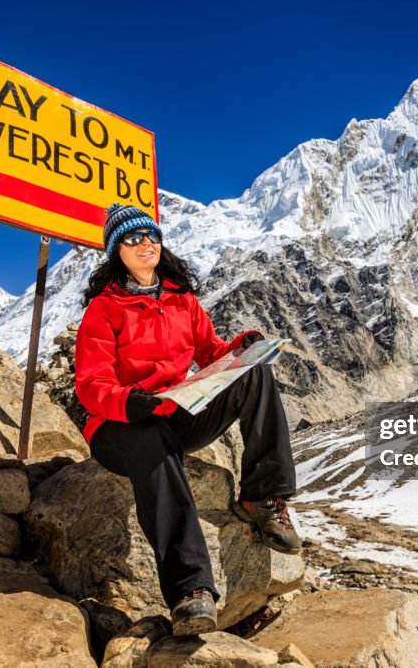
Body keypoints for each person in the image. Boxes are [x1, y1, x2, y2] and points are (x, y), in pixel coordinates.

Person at [74, 202, 302, 637]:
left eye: (151, 236)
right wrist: (128, 402)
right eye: (132, 238)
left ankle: (264, 497)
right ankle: (190, 590)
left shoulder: (182, 300)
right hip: (119, 426)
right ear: (114, 251)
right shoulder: (104, 310)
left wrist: (241, 349)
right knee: (151, 441)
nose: (145, 244)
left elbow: (211, 353)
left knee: (254, 373)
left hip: (173, 412)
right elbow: (90, 384)